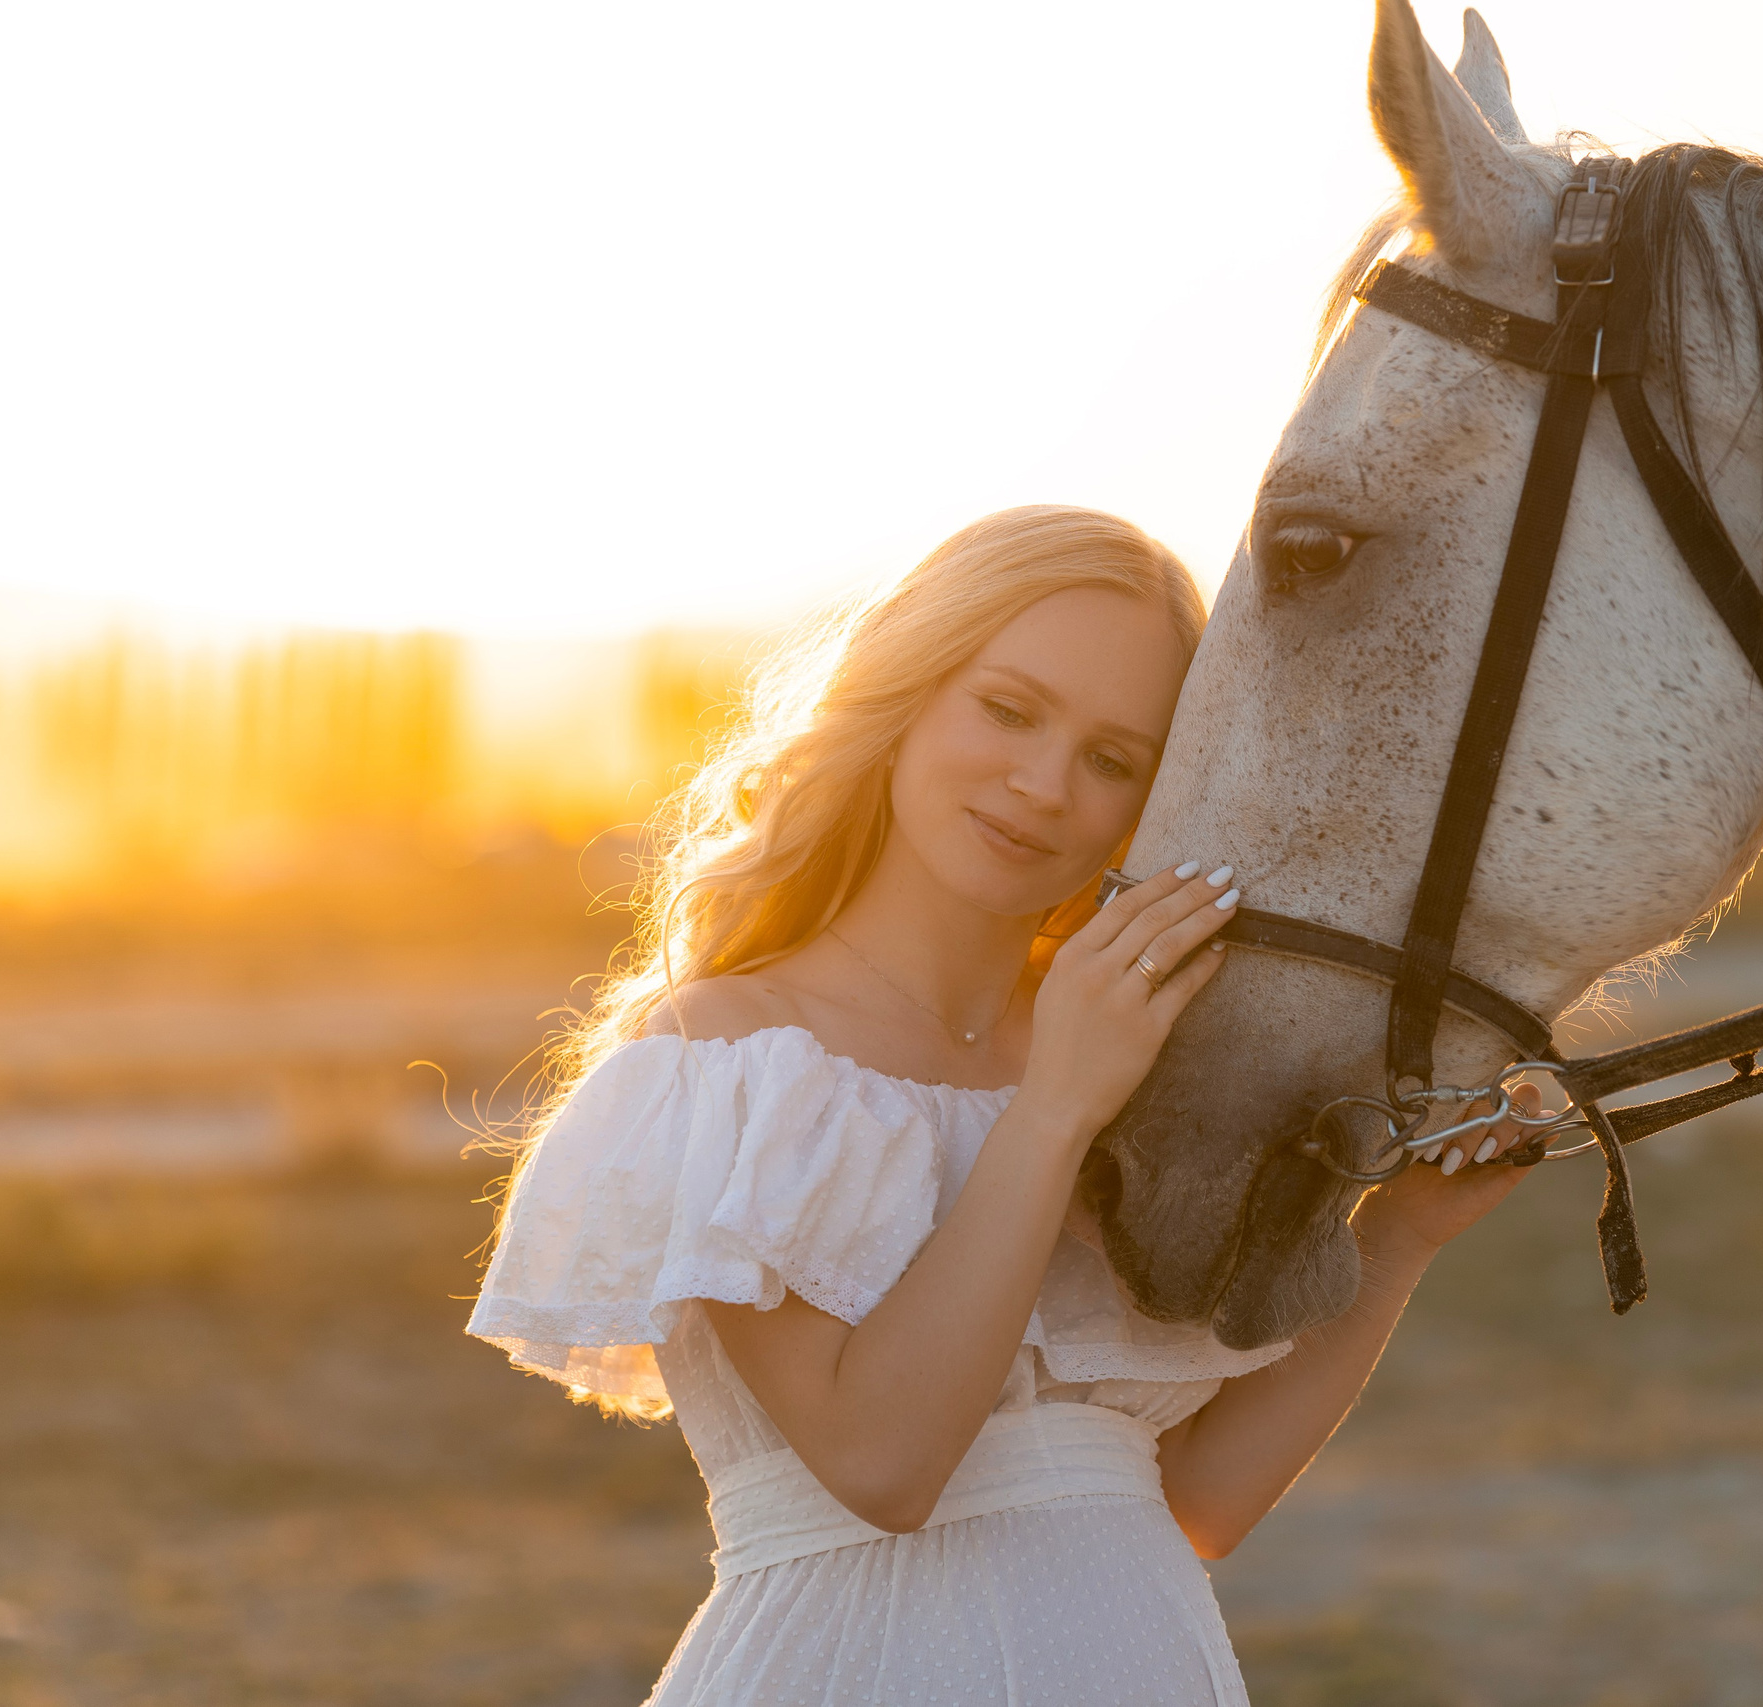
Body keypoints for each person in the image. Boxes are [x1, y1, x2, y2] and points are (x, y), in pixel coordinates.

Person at [468, 506, 1533, 1705]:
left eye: (1112, 760)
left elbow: (1196, 1504)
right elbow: (883, 1466)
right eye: (1009, 711)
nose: (1041, 786)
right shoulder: (732, 1058)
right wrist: (1051, 1111)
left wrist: (1398, 1237)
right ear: (909, 692)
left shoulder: (1136, 1059)